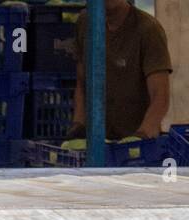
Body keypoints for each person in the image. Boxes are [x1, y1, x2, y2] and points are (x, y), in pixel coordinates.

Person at [69, 0, 172, 142]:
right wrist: (78, 125)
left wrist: (141, 135)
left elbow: (160, 95)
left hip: (135, 139)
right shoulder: (85, 22)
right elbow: (81, 82)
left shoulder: (148, 29)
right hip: (97, 140)